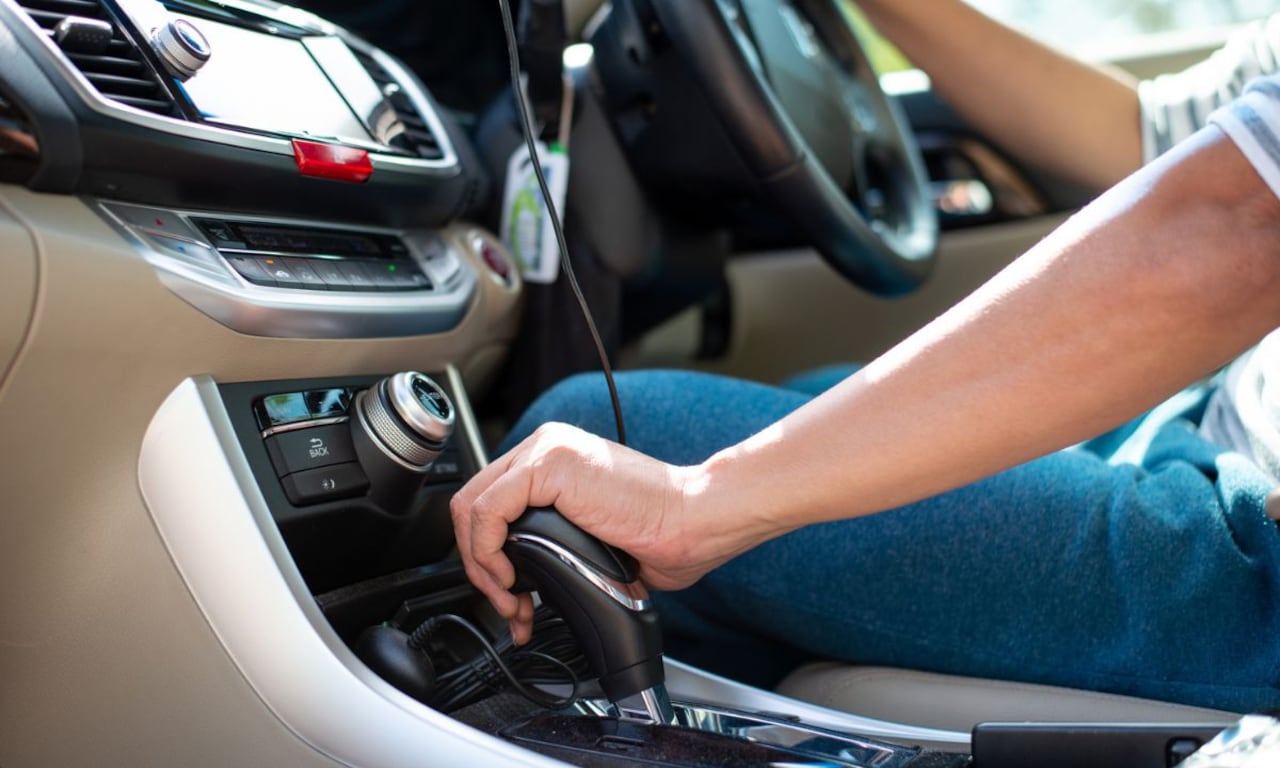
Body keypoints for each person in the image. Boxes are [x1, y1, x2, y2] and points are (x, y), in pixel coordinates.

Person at [451, 1, 1280, 713]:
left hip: (1253, 552)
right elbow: (1166, 140)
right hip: (1198, 426)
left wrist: (701, 501)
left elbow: (1238, 227)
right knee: (779, 420)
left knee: (598, 434)